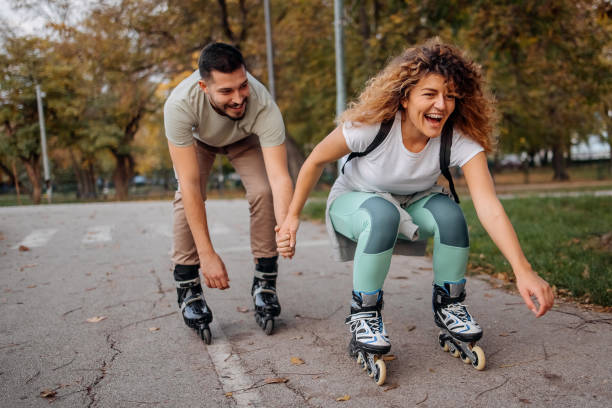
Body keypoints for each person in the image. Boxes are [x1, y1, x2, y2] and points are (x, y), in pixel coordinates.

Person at [276, 38, 554, 373]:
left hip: (413, 202)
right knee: (383, 214)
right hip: (355, 201)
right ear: (405, 97)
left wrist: (522, 270)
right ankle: (364, 313)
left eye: (450, 96)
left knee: (451, 214)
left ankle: (450, 306)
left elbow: (488, 205)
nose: (442, 104)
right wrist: (292, 218)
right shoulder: (372, 125)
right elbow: (314, 161)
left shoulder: (457, 139)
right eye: (430, 93)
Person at [164, 42, 293, 340]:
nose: (238, 98)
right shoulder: (180, 105)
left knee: (263, 190)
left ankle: (265, 280)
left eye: (242, 85)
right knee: (187, 197)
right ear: (204, 87)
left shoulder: (261, 103)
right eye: (226, 91)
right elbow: (191, 186)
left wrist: (286, 227)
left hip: (243, 139)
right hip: (199, 141)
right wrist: (206, 256)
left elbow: (279, 176)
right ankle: (187, 285)